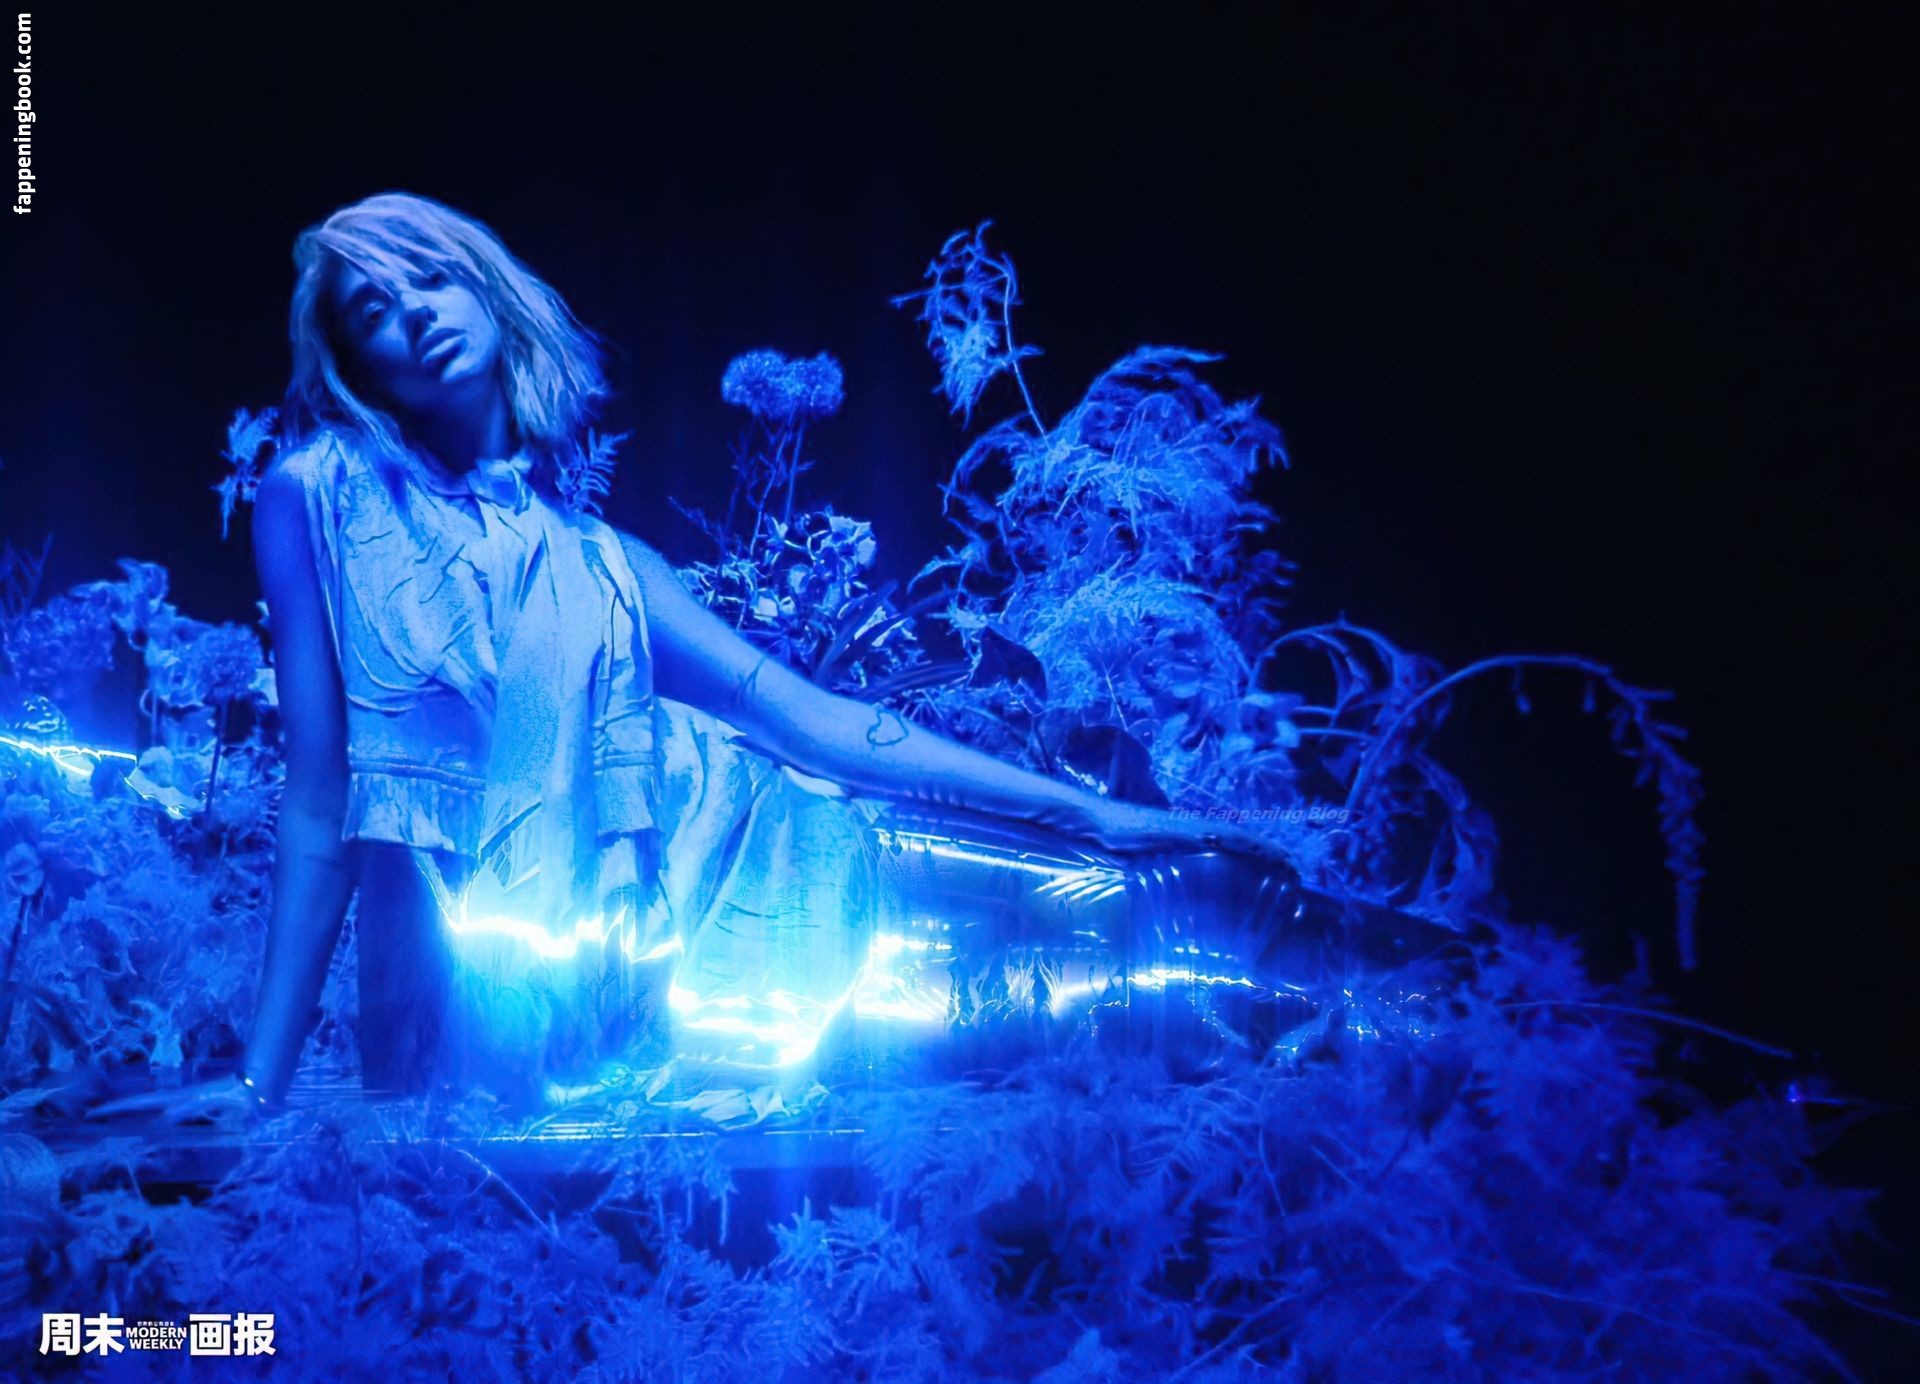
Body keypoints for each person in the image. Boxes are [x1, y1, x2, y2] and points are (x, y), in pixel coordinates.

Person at [120, 191, 1282, 1123]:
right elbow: (321, 801)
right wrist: (259, 1084)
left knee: (1163, 913)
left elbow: (812, 721)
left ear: (486, 287)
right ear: (356, 364)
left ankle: (1349, 974)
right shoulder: (320, 499)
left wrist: (1089, 811)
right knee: (1109, 982)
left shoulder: (605, 563)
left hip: (781, 877)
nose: (415, 312)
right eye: (375, 308)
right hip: (554, 995)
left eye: (431, 275)